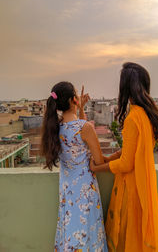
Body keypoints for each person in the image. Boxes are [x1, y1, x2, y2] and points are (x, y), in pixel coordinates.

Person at [90, 62, 158, 252]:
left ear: (125, 87)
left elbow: (125, 164)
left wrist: (97, 168)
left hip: (132, 190)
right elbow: (131, 151)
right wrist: (109, 158)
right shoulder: (148, 114)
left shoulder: (133, 118)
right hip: (144, 185)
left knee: (128, 240)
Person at [41, 82, 108, 252]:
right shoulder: (85, 128)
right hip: (85, 191)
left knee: (72, 231)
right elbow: (99, 161)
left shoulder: (56, 127)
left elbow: (77, 130)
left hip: (67, 191)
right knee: (88, 233)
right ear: (74, 100)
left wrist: (81, 108)